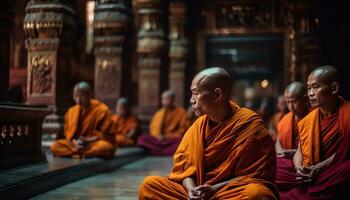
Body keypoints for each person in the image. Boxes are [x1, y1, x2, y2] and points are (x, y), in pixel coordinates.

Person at [139, 67, 278, 200]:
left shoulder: (249, 124)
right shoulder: (198, 126)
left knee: (257, 194)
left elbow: (255, 176)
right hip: (198, 191)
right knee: (149, 185)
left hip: (227, 191)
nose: (191, 100)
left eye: (196, 93)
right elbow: (184, 170)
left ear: (217, 95)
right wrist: (191, 191)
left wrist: (214, 189)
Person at [276, 66, 350, 199]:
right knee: (274, 165)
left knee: (346, 169)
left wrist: (318, 168)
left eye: (315, 87)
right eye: (309, 88)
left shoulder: (348, 114)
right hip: (307, 169)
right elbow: (300, 150)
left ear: (334, 88)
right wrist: (299, 167)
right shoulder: (308, 120)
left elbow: (345, 153)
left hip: (330, 170)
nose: (310, 93)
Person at [51, 82, 116, 159]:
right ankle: (80, 153)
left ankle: (76, 153)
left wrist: (88, 140)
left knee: (105, 148)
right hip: (76, 144)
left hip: (93, 143)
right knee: (55, 146)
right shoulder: (71, 111)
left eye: (81, 96)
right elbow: (68, 134)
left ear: (89, 95)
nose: (78, 99)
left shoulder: (102, 110)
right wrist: (75, 142)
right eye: (75, 96)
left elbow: (107, 135)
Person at [137, 90, 190, 156]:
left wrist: (167, 136)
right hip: (158, 140)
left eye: (167, 99)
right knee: (142, 139)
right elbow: (152, 128)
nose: (165, 101)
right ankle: (164, 151)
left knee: (182, 141)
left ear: (173, 100)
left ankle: (155, 151)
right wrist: (158, 136)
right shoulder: (159, 113)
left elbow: (183, 130)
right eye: (163, 99)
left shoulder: (182, 112)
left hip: (171, 139)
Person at [276, 82, 309, 158]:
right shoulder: (285, 119)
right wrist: (280, 151)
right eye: (288, 102)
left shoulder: (313, 117)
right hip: (285, 157)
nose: (291, 106)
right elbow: (278, 140)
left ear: (305, 99)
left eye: (294, 102)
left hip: (306, 159)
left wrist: (297, 152)